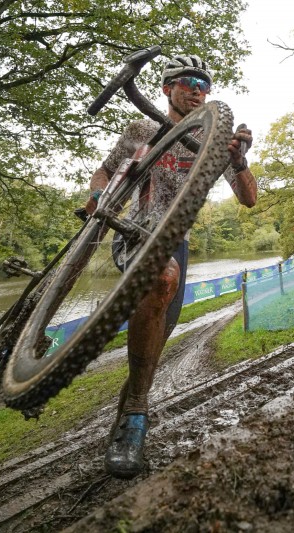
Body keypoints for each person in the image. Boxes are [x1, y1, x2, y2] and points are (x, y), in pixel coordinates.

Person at [84, 54, 257, 479]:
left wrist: (238, 160)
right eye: (188, 80)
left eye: (204, 83)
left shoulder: (215, 138)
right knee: (160, 278)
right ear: (166, 88)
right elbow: (104, 171)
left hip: (174, 241)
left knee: (154, 345)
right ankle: (139, 417)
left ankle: (125, 426)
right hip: (134, 230)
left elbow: (250, 198)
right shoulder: (140, 129)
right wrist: (97, 200)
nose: (198, 87)